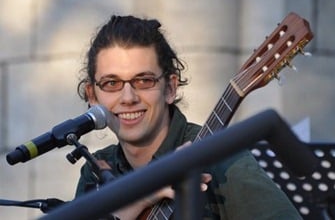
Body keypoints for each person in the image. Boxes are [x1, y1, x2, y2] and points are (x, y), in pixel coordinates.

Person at [75, 15, 302, 219]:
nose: (128, 97)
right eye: (111, 83)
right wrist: (142, 196)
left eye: (144, 80)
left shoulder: (221, 158)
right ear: (93, 96)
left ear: (170, 89)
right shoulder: (97, 171)